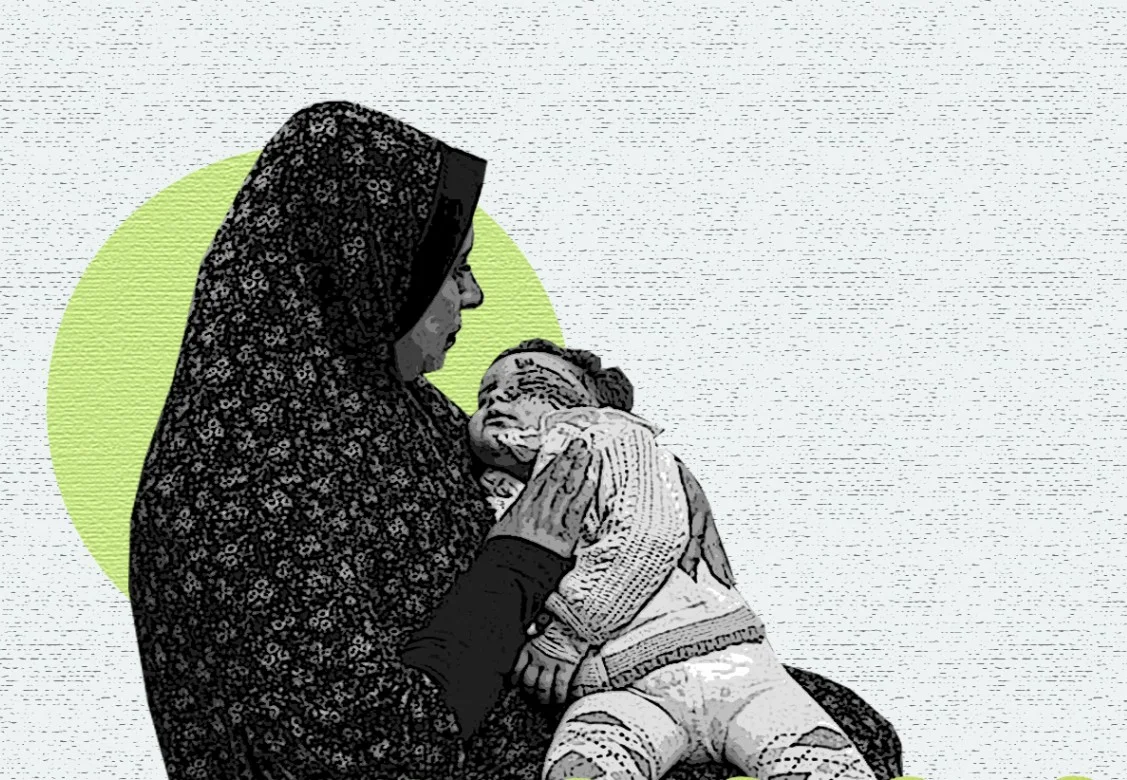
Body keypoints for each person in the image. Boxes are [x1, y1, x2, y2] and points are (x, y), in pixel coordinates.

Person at [128, 100, 902, 780]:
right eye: (452, 269)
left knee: (836, 721)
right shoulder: (238, 480)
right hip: (440, 751)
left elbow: (528, 472)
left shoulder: (377, 401)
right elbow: (370, 750)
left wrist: (642, 469)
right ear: (365, 273)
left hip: (522, 693)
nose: (473, 295)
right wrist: (518, 564)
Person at [470, 341, 875, 780]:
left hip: (727, 668)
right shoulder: (496, 492)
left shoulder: (614, 438)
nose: (498, 398)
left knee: (824, 766)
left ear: (593, 406)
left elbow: (647, 538)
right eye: (485, 395)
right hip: (621, 693)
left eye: (531, 386)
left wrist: (564, 637)